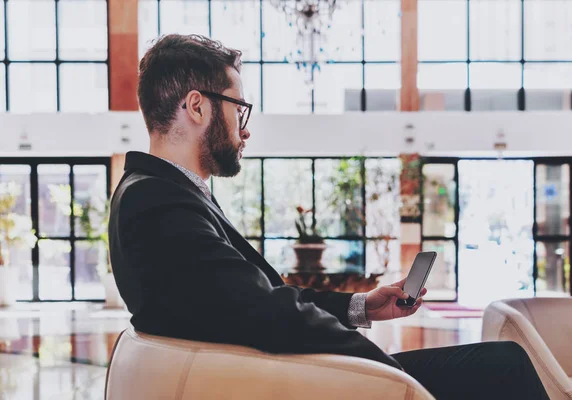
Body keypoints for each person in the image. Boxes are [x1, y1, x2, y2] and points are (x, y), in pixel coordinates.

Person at [108, 34, 549, 400]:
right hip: (297, 381)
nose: (245, 128)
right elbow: (263, 310)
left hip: (284, 372)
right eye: (238, 108)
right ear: (198, 107)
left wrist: (361, 305)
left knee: (500, 363)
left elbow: (248, 297)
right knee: (504, 365)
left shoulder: (164, 192)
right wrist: (380, 366)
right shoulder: (158, 202)